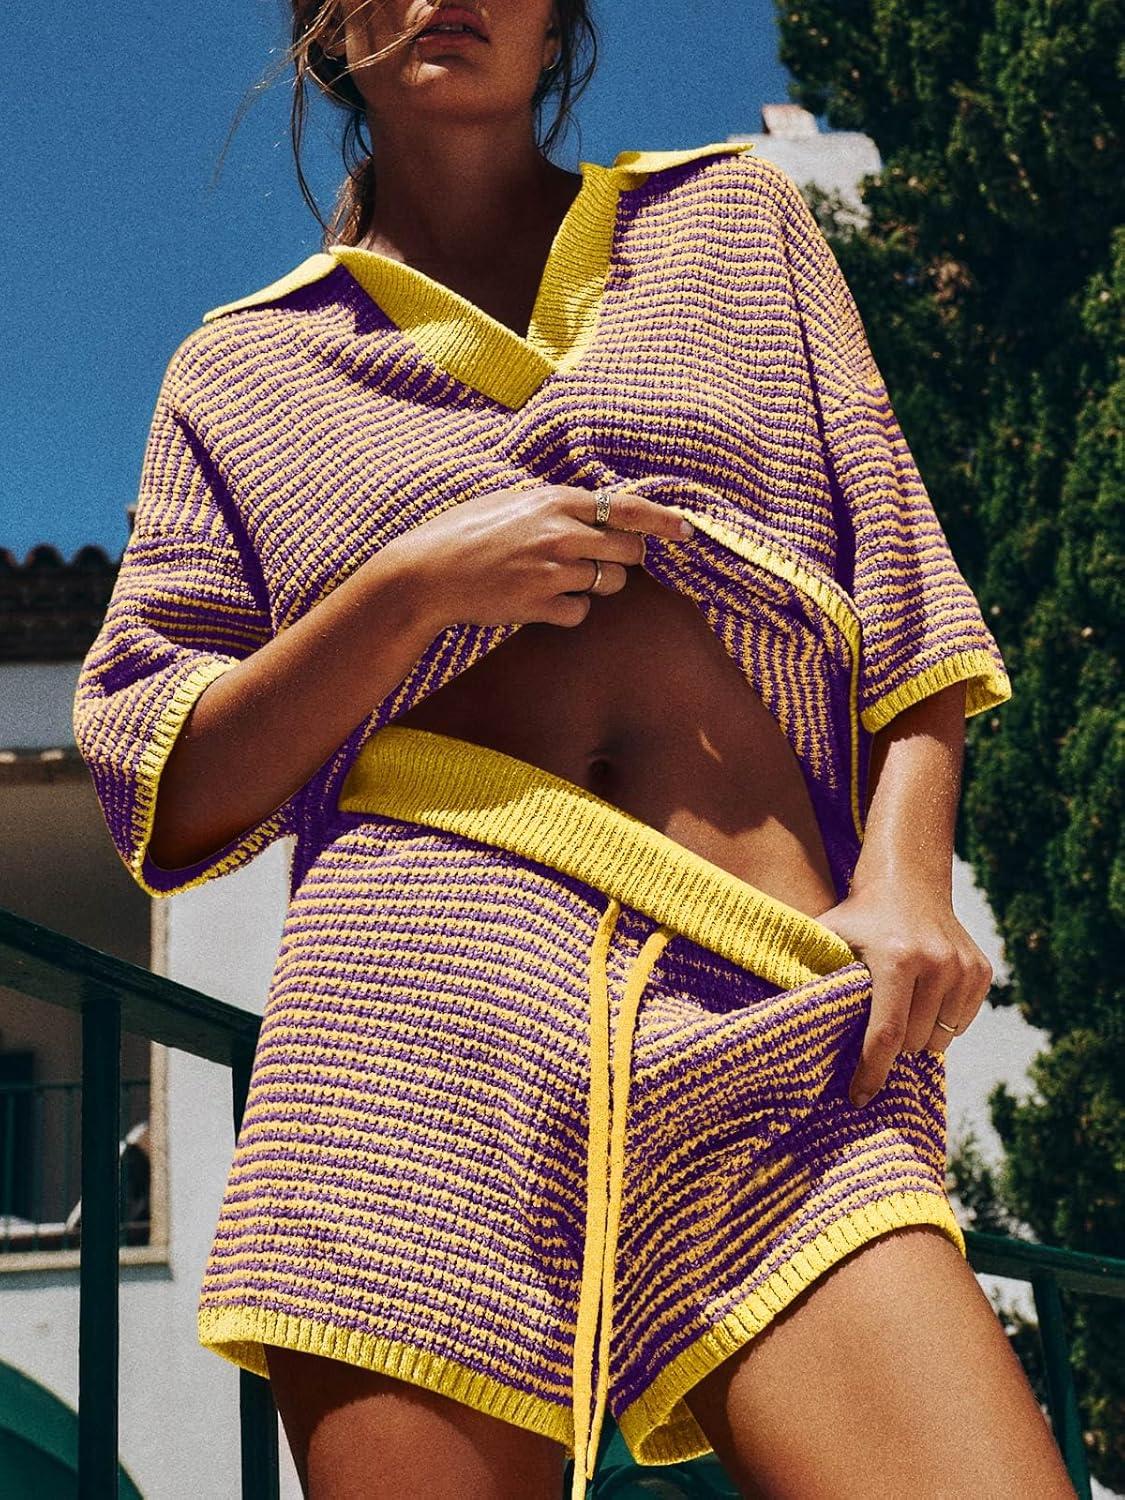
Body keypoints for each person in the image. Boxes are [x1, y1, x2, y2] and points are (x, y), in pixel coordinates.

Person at [72, 3, 1078, 1498]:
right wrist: (407, 591)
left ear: (560, 28)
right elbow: (159, 780)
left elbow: (902, 576)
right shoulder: (239, 373)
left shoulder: (731, 223)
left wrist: (909, 877)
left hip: (771, 1004)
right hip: (406, 1036)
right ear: (328, 30)